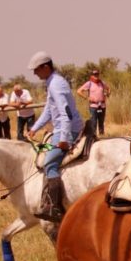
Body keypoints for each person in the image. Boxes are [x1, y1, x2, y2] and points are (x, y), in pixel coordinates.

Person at [25, 51, 83, 222]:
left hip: (67, 130)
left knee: (49, 163)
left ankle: (54, 207)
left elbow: (65, 114)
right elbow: (49, 111)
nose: (35, 73)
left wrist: (64, 139)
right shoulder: (53, 82)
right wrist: (34, 128)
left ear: (45, 67)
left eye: (36, 70)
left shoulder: (56, 84)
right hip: (61, 129)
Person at [77, 69, 110, 136]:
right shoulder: (89, 83)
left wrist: (107, 94)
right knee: (93, 122)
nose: (96, 76)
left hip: (102, 105)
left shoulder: (102, 83)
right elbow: (79, 91)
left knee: (101, 122)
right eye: (95, 74)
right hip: (93, 106)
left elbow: (108, 89)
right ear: (92, 75)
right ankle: (93, 137)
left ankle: (102, 136)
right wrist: (86, 97)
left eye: (97, 74)